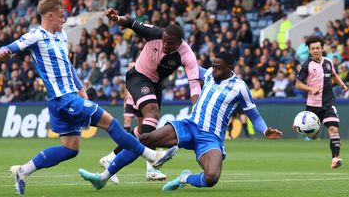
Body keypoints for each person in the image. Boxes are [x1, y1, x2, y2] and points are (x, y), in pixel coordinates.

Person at [0, 0, 177, 195]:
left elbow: (68, 66)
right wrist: (4, 50)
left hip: (67, 98)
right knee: (111, 123)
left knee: (70, 149)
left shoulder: (62, 36)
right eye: (61, 16)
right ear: (49, 15)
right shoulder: (36, 35)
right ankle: (152, 156)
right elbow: (13, 46)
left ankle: (23, 171)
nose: (64, 19)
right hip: (63, 99)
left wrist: (81, 88)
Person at [78, 51, 283, 191]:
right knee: (144, 139)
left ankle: (185, 178)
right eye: (212, 66)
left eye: (218, 67)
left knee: (211, 178)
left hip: (210, 138)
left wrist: (264, 131)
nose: (213, 70)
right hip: (189, 126)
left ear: (230, 67)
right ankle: (103, 178)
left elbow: (253, 114)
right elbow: (191, 66)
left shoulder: (240, 87)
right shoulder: (211, 74)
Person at [98, 8, 201, 181]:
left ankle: (111, 159)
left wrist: (197, 108)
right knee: (152, 112)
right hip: (137, 76)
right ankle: (152, 160)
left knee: (145, 130)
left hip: (155, 84)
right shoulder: (153, 33)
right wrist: (116, 18)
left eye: (170, 44)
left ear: (179, 43)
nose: (166, 46)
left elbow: (194, 84)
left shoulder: (187, 54)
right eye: (164, 41)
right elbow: (131, 23)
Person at [295, 35, 347, 169]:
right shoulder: (306, 66)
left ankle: (335, 158)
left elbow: (334, 75)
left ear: (322, 48)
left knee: (333, 128)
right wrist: (311, 88)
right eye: (313, 48)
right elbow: (298, 84)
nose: (315, 50)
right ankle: (300, 127)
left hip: (328, 104)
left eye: (318, 48)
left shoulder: (328, 62)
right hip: (313, 106)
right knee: (313, 135)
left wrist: (342, 84)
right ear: (309, 50)